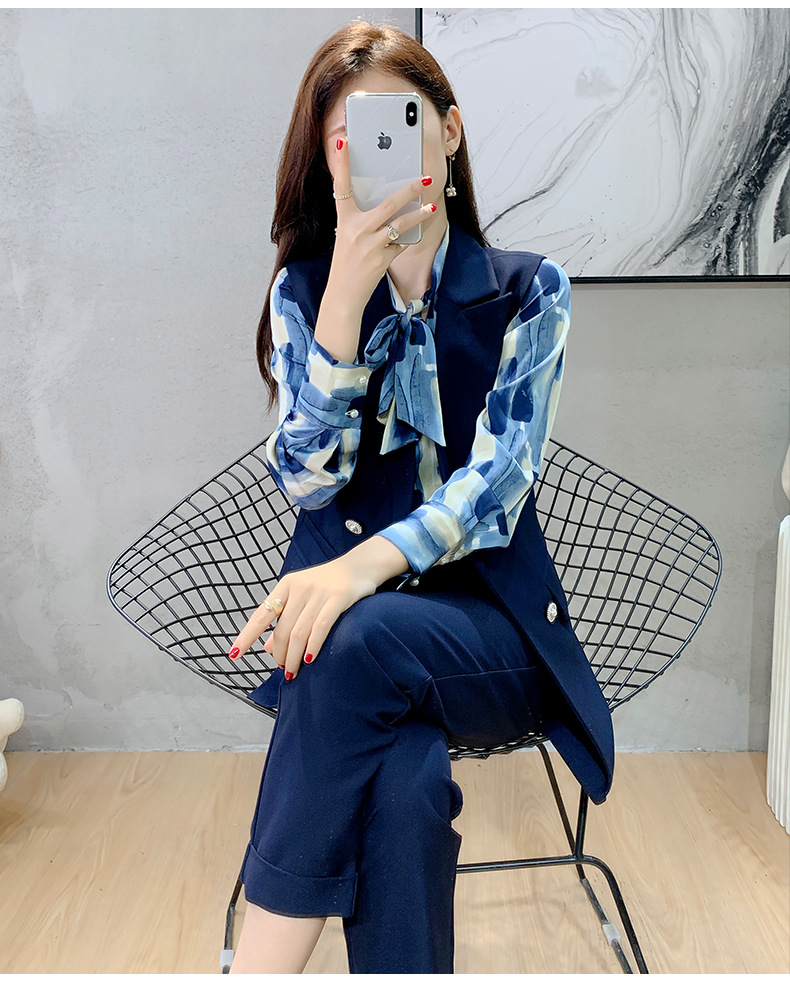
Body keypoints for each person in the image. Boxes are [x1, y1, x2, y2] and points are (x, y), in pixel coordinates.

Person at [226, 19, 614, 975]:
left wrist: (359, 566)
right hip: (349, 652)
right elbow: (307, 479)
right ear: (327, 163)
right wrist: (343, 304)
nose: (375, 153)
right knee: (402, 790)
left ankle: (251, 965)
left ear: (448, 129)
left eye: (399, 123)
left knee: (353, 637)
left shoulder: (529, 291)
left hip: (489, 638)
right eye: (346, 140)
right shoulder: (307, 295)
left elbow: (499, 485)